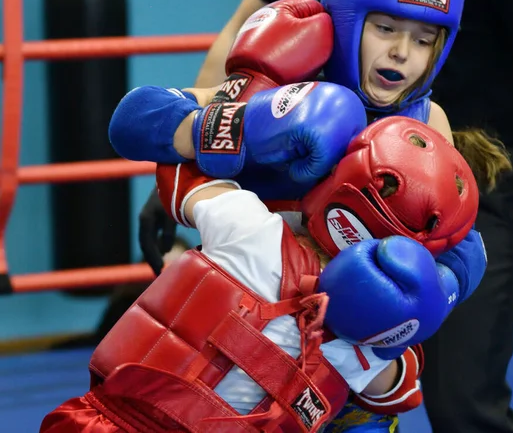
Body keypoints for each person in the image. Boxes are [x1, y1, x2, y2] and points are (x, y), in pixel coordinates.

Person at [152, 0, 513, 432]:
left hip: (460, 188)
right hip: (320, 163)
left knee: (463, 400)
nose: (402, 52)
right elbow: (239, 34)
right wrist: (195, 149)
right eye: (385, 29)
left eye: (423, 39)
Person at [40, 114, 486, 433]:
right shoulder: (365, 346)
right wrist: (417, 314)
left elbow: (177, 175)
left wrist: (253, 122)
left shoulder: (250, 226)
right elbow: (399, 396)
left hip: (107, 418)